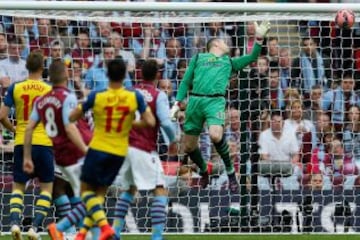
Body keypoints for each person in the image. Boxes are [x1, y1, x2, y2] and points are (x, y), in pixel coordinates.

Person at [170, 21, 271, 192]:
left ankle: (230, 172)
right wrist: (177, 103)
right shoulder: (198, 58)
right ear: (215, 43)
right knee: (188, 146)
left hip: (215, 101)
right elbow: (186, 81)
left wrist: (259, 39)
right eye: (224, 42)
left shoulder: (229, 62)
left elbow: (252, 57)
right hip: (194, 101)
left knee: (216, 136)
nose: (227, 44)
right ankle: (204, 171)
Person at [69, 58, 156, 240]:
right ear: (125, 75)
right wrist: (131, 123)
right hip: (119, 152)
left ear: (107, 74)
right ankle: (82, 233)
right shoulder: (134, 96)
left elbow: (73, 116)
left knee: (85, 191)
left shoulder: (97, 95)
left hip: (98, 147)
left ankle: (105, 227)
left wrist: (79, 108)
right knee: (100, 193)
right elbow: (150, 121)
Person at [22, 59, 93, 240]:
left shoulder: (41, 100)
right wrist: (85, 150)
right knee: (93, 193)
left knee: (64, 189)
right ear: (67, 75)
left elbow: (28, 128)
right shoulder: (67, 96)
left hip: (56, 153)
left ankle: (76, 232)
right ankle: (66, 228)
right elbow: (70, 127)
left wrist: (27, 157)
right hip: (73, 153)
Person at [112, 59, 177, 240]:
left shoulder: (128, 92)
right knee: (160, 189)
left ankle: (115, 232)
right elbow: (165, 122)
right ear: (158, 75)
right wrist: (173, 140)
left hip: (125, 147)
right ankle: (156, 237)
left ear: (140, 73)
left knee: (129, 190)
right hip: (144, 149)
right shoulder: (158, 95)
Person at [0, 51, 53, 240]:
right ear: (41, 67)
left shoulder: (16, 87)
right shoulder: (49, 89)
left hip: (22, 142)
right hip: (44, 142)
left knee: (18, 186)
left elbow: (1, 116)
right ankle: (35, 228)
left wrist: (15, 130)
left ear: (26, 66)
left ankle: (14, 223)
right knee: (46, 188)